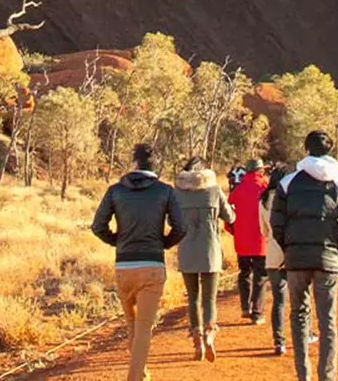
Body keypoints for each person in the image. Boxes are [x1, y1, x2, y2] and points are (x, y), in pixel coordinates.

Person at [92, 143, 187, 381]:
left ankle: (140, 372)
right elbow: (181, 227)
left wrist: (118, 242)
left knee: (132, 324)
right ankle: (134, 377)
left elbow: (97, 227)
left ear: (134, 163)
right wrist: (163, 244)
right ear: (156, 165)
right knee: (144, 327)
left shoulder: (115, 191)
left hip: (123, 267)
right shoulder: (165, 191)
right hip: (152, 266)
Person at [271, 131, 338, 381]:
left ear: (306, 149)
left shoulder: (288, 183)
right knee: (327, 320)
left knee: (299, 316)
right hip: (327, 259)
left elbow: (276, 222)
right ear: (329, 150)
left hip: (296, 260)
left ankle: (303, 376)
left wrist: (288, 248)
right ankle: (327, 377)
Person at [174, 156, 235, 361]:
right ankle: (210, 333)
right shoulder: (214, 190)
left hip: (187, 248)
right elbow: (230, 217)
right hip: (210, 249)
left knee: (193, 298)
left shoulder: (178, 194)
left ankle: (197, 338)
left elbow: (170, 220)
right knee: (209, 298)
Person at [228, 158, 268, 323]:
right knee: (260, 275)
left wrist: (235, 232)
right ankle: (257, 313)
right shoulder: (264, 188)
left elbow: (228, 215)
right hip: (261, 240)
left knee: (244, 272)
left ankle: (245, 307)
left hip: (242, 241)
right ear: (261, 171)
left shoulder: (237, 190)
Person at [258, 165, 288, 356]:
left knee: (278, 300)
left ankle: (279, 342)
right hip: (291, 253)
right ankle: (307, 333)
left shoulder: (262, 201)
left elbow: (263, 231)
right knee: (302, 298)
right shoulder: (289, 198)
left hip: (272, 255)